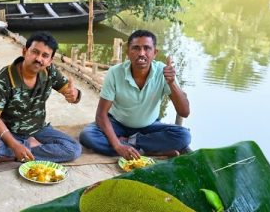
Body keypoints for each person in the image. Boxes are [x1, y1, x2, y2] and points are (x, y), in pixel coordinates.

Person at [79, 29, 191, 159]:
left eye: (147, 48)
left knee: (183, 136)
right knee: (87, 136)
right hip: (118, 124)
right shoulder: (115, 73)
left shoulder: (163, 71)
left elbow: (184, 112)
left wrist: (172, 83)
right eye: (136, 48)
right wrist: (117, 146)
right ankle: (147, 150)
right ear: (128, 53)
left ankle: (132, 144)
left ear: (155, 53)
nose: (141, 53)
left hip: (149, 126)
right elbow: (101, 115)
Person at [0, 31, 82, 163]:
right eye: (35, 52)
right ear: (24, 51)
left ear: (50, 61)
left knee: (73, 149)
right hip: (8, 131)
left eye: (45, 56)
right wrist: (14, 144)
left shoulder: (50, 72)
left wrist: (75, 95)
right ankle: (24, 149)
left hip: (38, 130)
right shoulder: (4, 78)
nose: (39, 59)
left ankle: (18, 153)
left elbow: (71, 93)